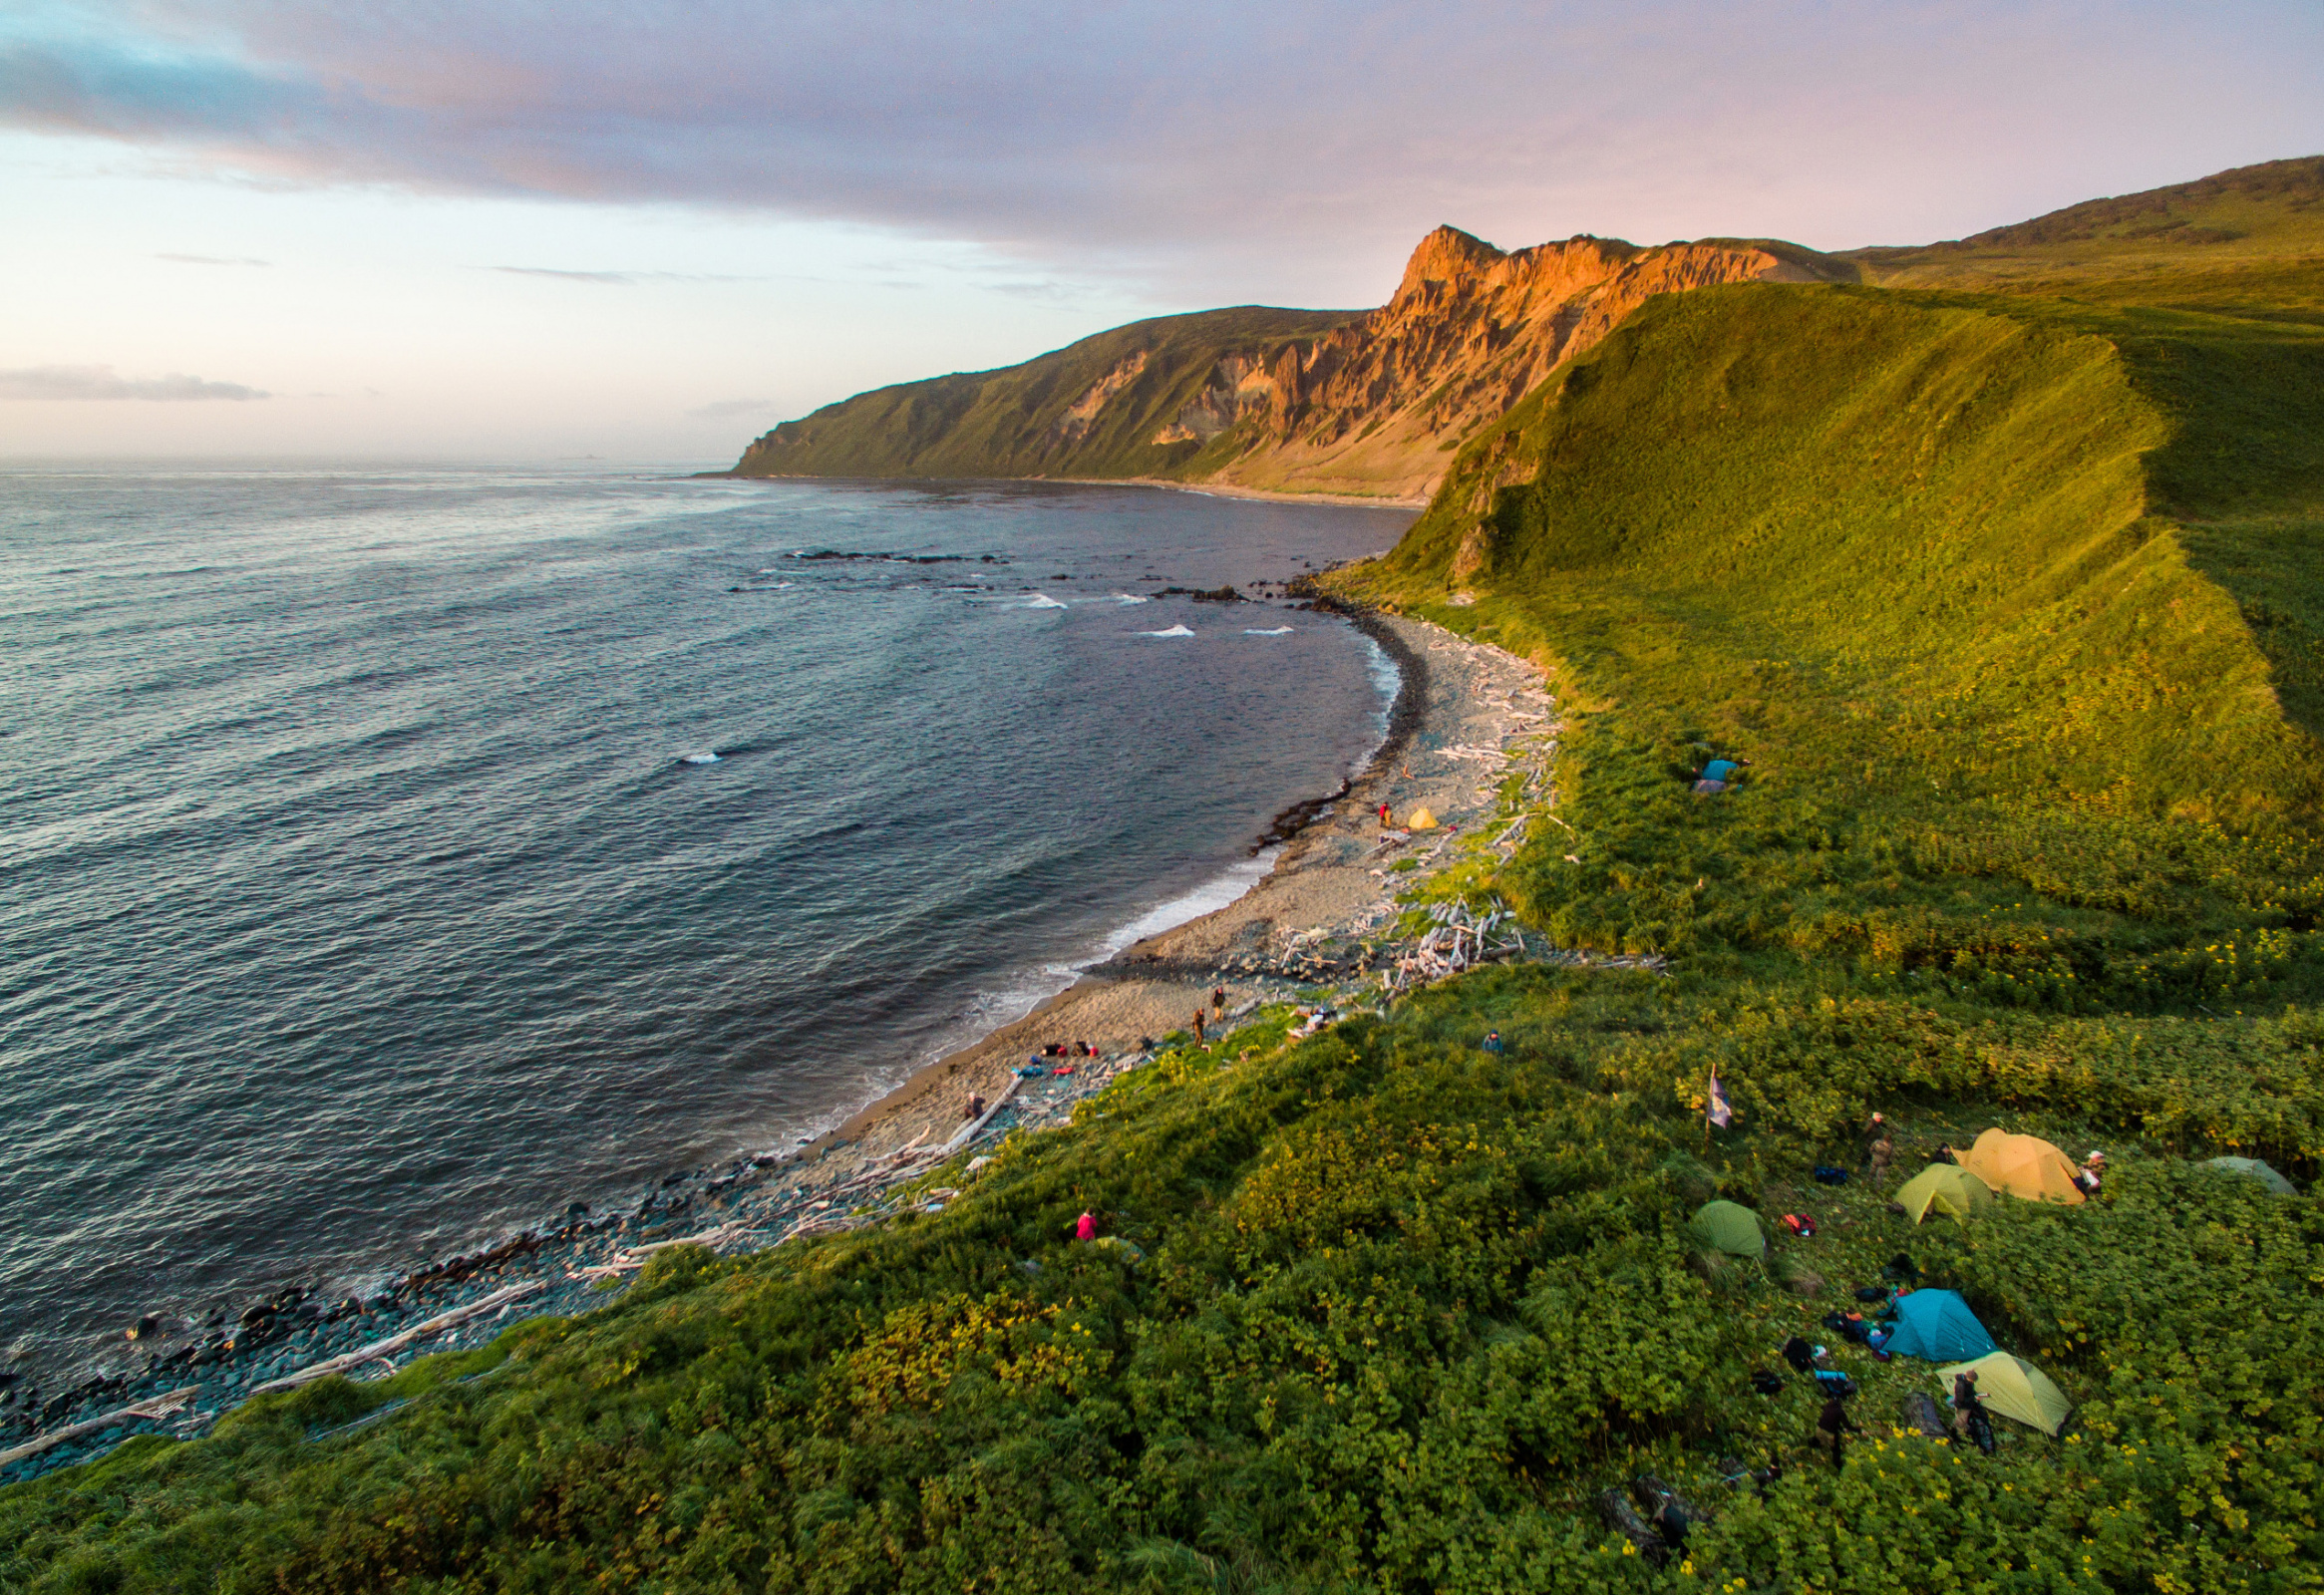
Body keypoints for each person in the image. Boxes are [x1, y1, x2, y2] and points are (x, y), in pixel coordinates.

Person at [1816, 1392, 1860, 1470]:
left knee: (1820, 1444)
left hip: (1819, 1430)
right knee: (1836, 1451)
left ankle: (1817, 1457)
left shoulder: (1826, 1407)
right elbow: (1848, 1426)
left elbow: (1831, 1421)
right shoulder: (1840, 1411)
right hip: (1829, 1433)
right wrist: (1859, 1430)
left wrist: (1841, 1429)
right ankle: (1840, 1469)